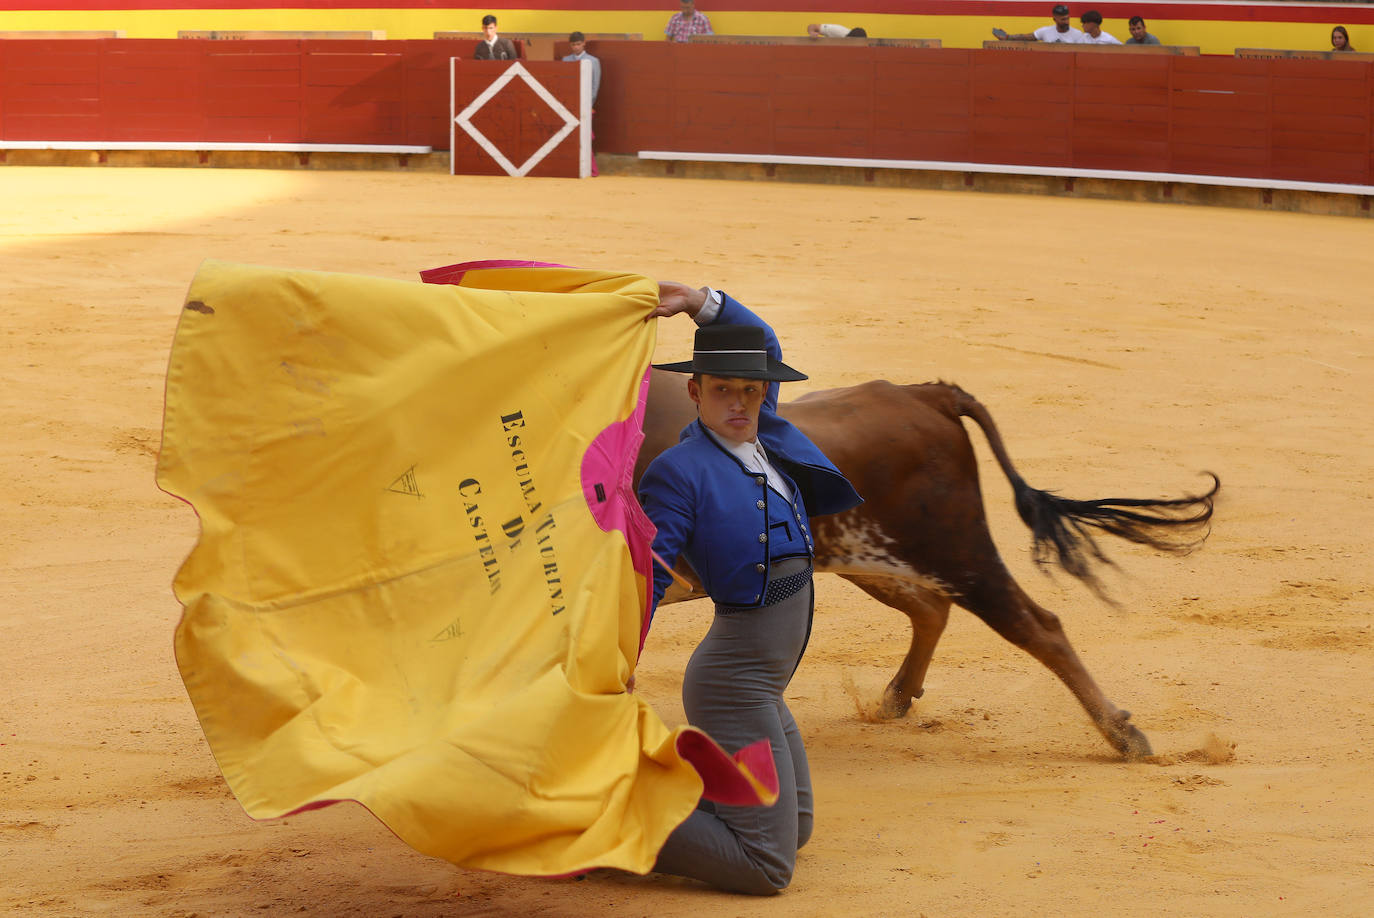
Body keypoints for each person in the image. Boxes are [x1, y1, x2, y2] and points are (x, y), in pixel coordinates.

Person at [639, 282, 862, 895]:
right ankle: (616, 825)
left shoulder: (768, 438)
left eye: (751, 391)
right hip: (734, 686)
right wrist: (619, 650)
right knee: (768, 866)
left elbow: (760, 343)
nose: (739, 403)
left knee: (800, 829)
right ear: (693, 392)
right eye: (721, 390)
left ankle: (689, 812)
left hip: (765, 686)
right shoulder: (678, 472)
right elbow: (653, 568)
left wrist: (696, 301)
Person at [992, 4, 1085, 43]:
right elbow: (1027, 37)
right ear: (1054, 19)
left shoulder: (1078, 34)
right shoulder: (1045, 31)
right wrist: (1008, 37)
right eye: (1063, 19)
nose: (1066, 22)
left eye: (1067, 19)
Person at [562, 31, 601, 106]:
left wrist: (589, 102)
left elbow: (595, 84)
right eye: (573, 45)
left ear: (584, 43)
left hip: (586, 101)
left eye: (578, 44)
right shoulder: (565, 60)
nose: (576, 47)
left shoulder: (593, 61)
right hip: (569, 101)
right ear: (570, 45)